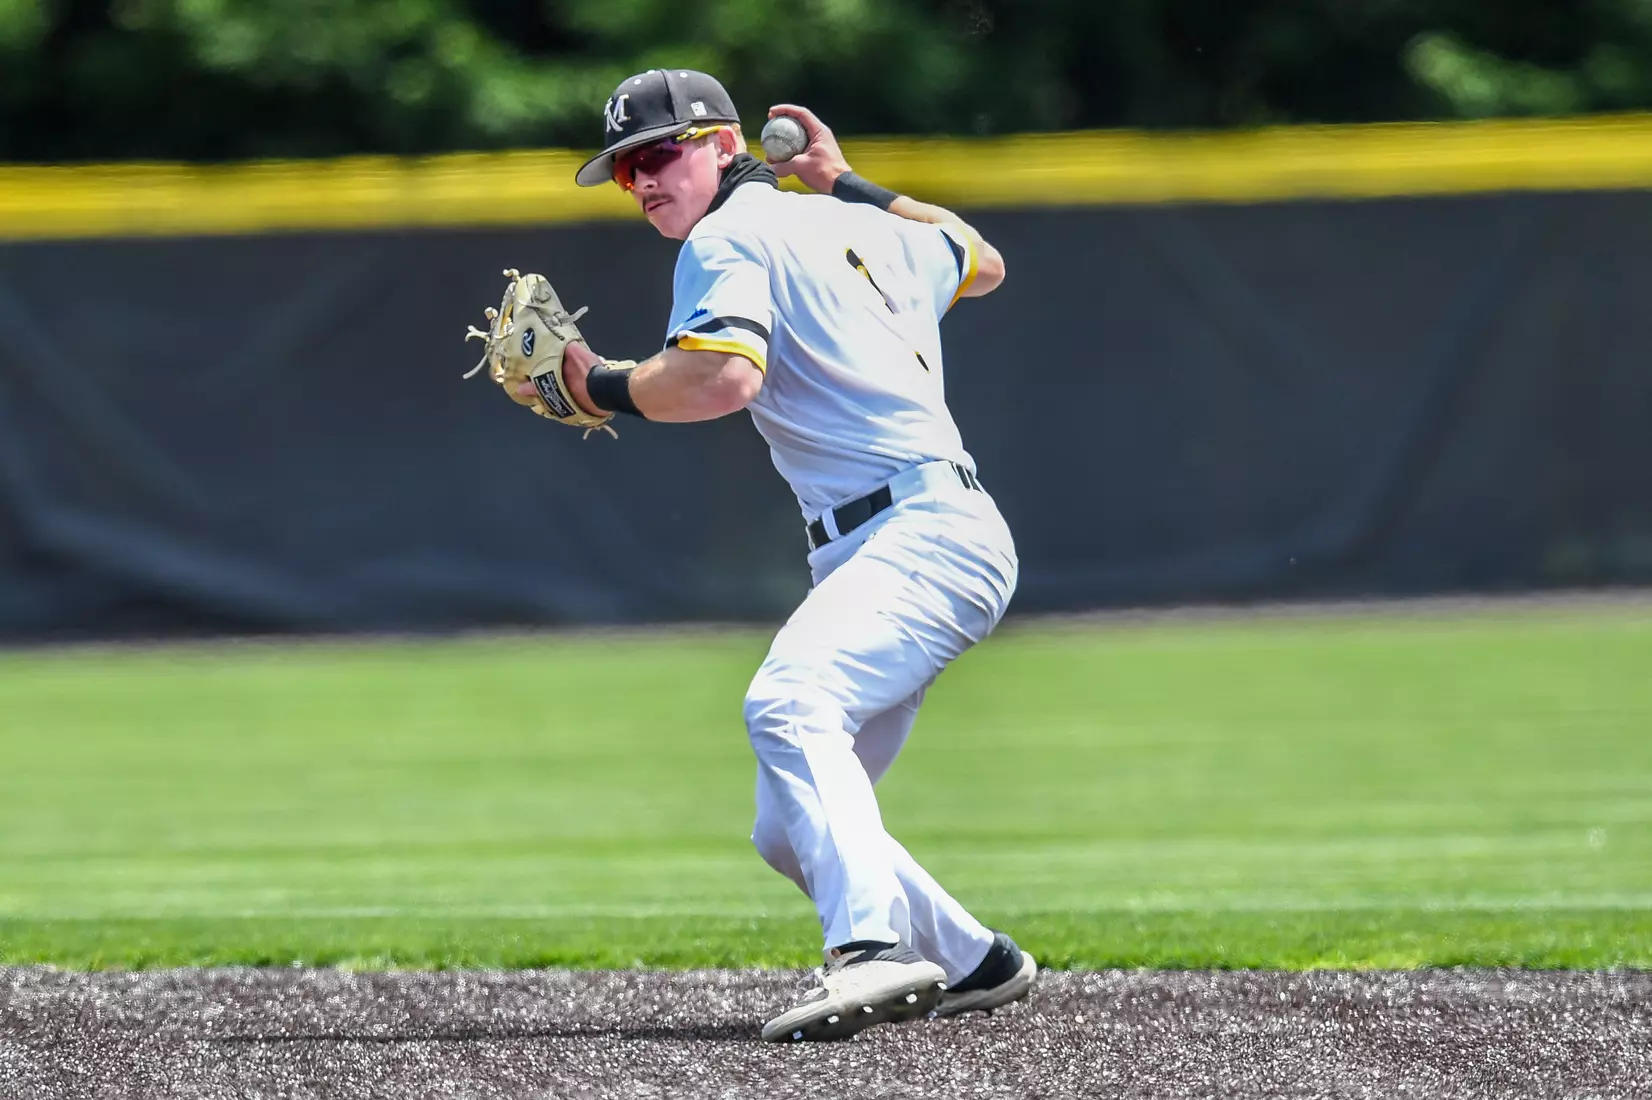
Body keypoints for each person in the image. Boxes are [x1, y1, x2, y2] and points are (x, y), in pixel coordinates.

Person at [551, 68, 1037, 1042]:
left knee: (787, 702)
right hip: (923, 533)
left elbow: (722, 376)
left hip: (917, 531)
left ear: (725, 145)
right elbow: (980, 261)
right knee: (788, 831)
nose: (642, 181)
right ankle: (975, 956)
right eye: (623, 170)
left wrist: (596, 385)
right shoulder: (865, 225)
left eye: (658, 154)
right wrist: (849, 182)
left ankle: (872, 952)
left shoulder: (727, 236)